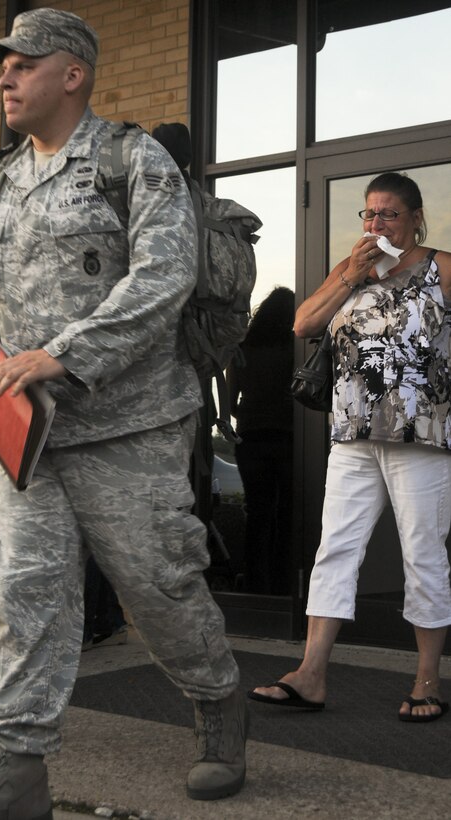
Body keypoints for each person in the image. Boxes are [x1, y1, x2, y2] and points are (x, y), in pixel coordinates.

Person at [0, 10, 248, 820]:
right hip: (24, 436)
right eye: (2, 64)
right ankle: (20, 764)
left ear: (73, 74)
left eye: (23, 63)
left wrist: (61, 353)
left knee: (158, 590)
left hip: (128, 430)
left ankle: (219, 704)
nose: (5, 76)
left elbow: (162, 278)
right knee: (28, 592)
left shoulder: (131, 161)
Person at [248, 172, 451, 723]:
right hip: (353, 435)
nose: (376, 224)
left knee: (423, 553)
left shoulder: (441, 268)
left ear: (414, 219)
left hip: (419, 437)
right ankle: (310, 674)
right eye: (369, 214)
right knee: (334, 549)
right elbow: (303, 324)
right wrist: (351, 276)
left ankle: (427, 678)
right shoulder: (351, 272)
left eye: (388, 214)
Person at [227, 287, 294, 595]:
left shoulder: (244, 348)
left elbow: (230, 404)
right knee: (288, 512)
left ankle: (256, 584)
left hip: (251, 436)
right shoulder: (296, 348)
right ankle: (285, 582)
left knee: (258, 512)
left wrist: (250, 411)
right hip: (288, 436)